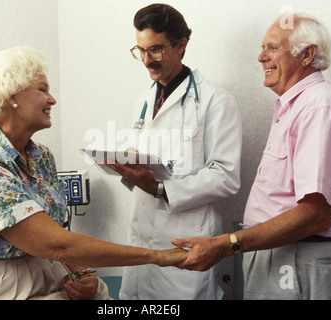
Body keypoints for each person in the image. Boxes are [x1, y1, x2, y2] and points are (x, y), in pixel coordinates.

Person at [0, 46, 187, 300]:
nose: (52, 99)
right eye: (42, 90)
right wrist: (158, 257)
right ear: (12, 96)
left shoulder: (41, 156)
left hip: (48, 268)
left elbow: (58, 240)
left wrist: (83, 274)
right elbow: (57, 244)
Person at [171, 13, 331, 300]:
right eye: (263, 48)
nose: (261, 57)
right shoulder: (293, 108)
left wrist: (227, 244)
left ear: (307, 54)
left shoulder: (320, 107)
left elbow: (314, 214)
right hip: (282, 257)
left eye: (273, 48)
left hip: (299, 259)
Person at [106, 4, 242, 300]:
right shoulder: (143, 100)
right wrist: (128, 167)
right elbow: (151, 163)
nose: (146, 60)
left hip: (185, 238)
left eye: (155, 49)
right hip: (142, 238)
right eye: (140, 50)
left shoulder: (215, 101)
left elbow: (226, 176)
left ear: (181, 45)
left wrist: (159, 188)